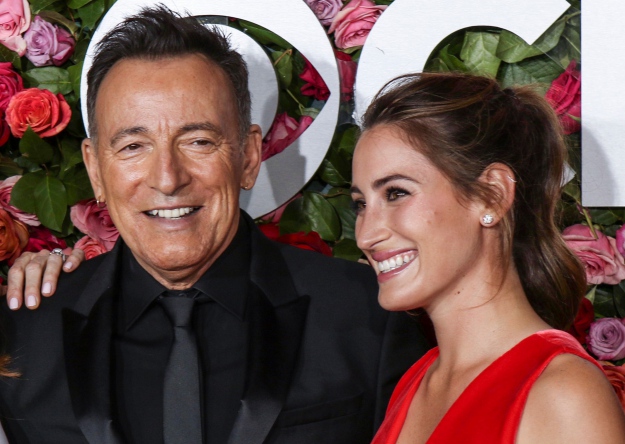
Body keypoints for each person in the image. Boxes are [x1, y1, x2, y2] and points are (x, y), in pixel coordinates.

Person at [0, 7, 429, 443]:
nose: (168, 178)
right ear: (95, 170)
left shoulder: (365, 314)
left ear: (248, 157)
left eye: (198, 141)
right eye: (133, 146)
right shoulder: (23, 334)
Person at [349, 72, 625, 443]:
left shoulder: (561, 392)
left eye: (396, 193)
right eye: (361, 204)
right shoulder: (417, 380)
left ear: (492, 195)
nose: (366, 235)